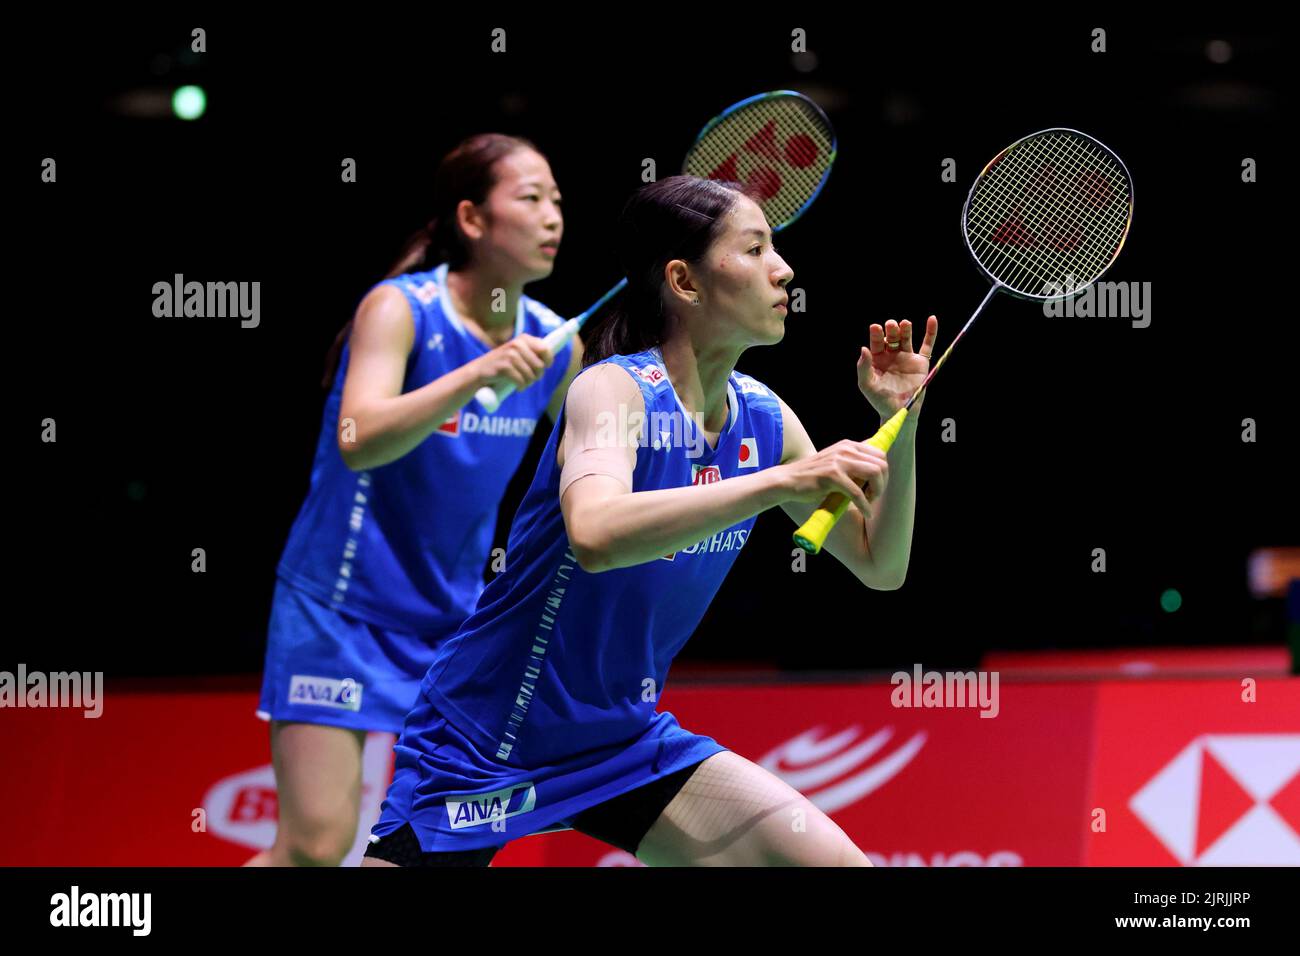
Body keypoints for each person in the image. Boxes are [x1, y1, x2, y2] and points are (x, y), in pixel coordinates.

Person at [363, 174, 937, 867]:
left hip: (620, 742)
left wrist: (898, 426)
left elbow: (880, 565)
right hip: (485, 739)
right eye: (755, 249)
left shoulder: (764, 420)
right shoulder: (613, 391)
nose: (784, 268)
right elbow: (597, 534)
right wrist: (776, 483)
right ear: (684, 282)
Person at [247, 133, 583, 866]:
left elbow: (591, 470)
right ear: (471, 218)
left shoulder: (556, 343)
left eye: (556, 199)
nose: (553, 216)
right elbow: (358, 436)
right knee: (314, 845)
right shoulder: (401, 310)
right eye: (530, 199)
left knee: (436, 841)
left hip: (454, 625)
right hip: (341, 612)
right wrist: (477, 375)